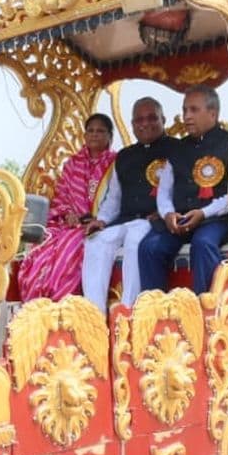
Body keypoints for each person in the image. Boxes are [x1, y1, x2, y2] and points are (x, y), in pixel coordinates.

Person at [138, 85, 228, 295]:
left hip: (215, 219)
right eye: (185, 110)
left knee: (203, 244)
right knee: (149, 247)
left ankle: (208, 308)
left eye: (193, 110)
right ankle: (156, 311)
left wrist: (203, 213)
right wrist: (168, 215)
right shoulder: (177, 148)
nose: (186, 116)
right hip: (180, 220)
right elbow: (164, 191)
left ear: (213, 113)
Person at [81, 98, 175, 312]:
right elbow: (113, 198)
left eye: (152, 118)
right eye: (139, 119)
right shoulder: (125, 156)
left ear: (163, 120)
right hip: (125, 219)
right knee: (96, 241)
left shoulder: (176, 149)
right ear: (132, 124)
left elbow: (184, 190)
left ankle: (128, 311)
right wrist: (101, 220)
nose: (146, 123)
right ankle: (94, 314)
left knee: (135, 240)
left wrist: (166, 213)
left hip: (153, 221)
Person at [17, 113, 117, 302]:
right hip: (69, 223)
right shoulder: (73, 163)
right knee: (44, 241)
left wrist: (93, 219)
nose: (94, 135)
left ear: (110, 137)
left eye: (100, 131)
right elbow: (61, 196)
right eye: (91, 131)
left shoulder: (115, 163)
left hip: (99, 224)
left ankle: (59, 300)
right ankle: (36, 299)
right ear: (85, 135)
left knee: (70, 246)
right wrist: (68, 214)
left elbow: (115, 200)